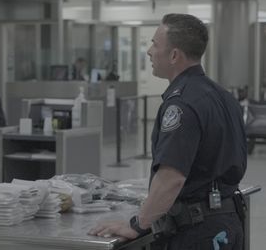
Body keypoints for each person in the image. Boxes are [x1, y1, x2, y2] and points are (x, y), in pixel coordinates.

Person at [88, 13, 247, 250]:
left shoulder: (181, 104)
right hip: (228, 223)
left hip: (198, 232)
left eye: (154, 44)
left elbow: (172, 177)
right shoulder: (223, 96)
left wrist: (137, 224)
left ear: (174, 55)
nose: (149, 51)